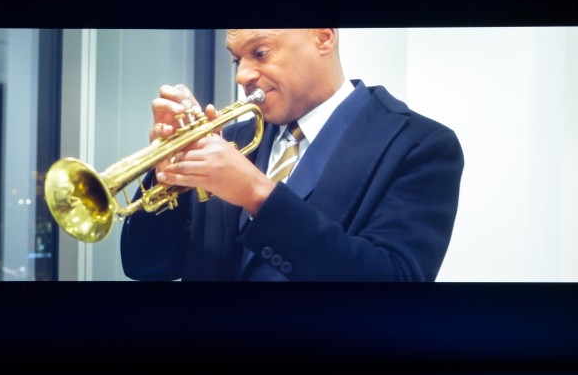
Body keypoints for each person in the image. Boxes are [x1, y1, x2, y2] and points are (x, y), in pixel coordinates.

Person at [119, 28, 464, 281]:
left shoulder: (421, 144)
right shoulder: (230, 140)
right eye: (237, 59)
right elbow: (146, 265)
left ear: (324, 36)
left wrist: (258, 194)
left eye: (261, 53)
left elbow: (397, 282)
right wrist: (165, 173)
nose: (242, 75)